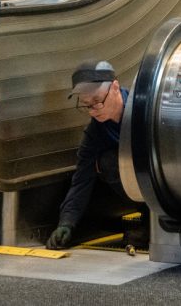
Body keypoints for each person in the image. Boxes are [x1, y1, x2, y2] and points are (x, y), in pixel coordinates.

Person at [46, 61, 149, 251]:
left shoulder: (145, 110)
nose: (93, 110)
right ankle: (148, 219)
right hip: (140, 192)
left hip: (168, 184)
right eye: (87, 105)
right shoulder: (96, 132)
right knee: (107, 162)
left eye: (97, 101)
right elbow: (81, 180)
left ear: (115, 87)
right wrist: (67, 223)